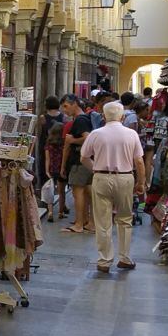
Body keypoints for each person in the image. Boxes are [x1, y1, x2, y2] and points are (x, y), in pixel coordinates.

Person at [80, 101, 145, 273]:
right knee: (124, 219)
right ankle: (124, 257)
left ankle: (104, 260)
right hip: (125, 177)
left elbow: (84, 157)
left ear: (103, 116)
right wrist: (141, 182)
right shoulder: (131, 134)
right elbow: (139, 160)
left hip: (101, 177)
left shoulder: (96, 134)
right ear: (122, 117)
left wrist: (95, 167)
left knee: (102, 220)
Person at [60, 94, 94, 234]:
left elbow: (87, 138)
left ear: (74, 104)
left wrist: (72, 141)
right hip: (86, 161)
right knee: (87, 192)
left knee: (77, 192)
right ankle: (88, 221)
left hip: (79, 161)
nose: (65, 110)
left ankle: (79, 223)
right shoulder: (84, 118)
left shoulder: (80, 120)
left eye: (66, 106)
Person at [37, 95, 66, 188]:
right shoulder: (64, 117)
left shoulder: (43, 117)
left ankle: (45, 188)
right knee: (59, 166)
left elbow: (41, 131)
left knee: (45, 165)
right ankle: (59, 188)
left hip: (46, 145)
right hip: (60, 146)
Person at [44, 122, 67, 221]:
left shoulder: (49, 143)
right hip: (61, 169)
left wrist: (47, 170)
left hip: (51, 169)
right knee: (62, 192)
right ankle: (61, 212)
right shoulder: (63, 142)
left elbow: (47, 158)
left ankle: (50, 212)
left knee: (50, 191)